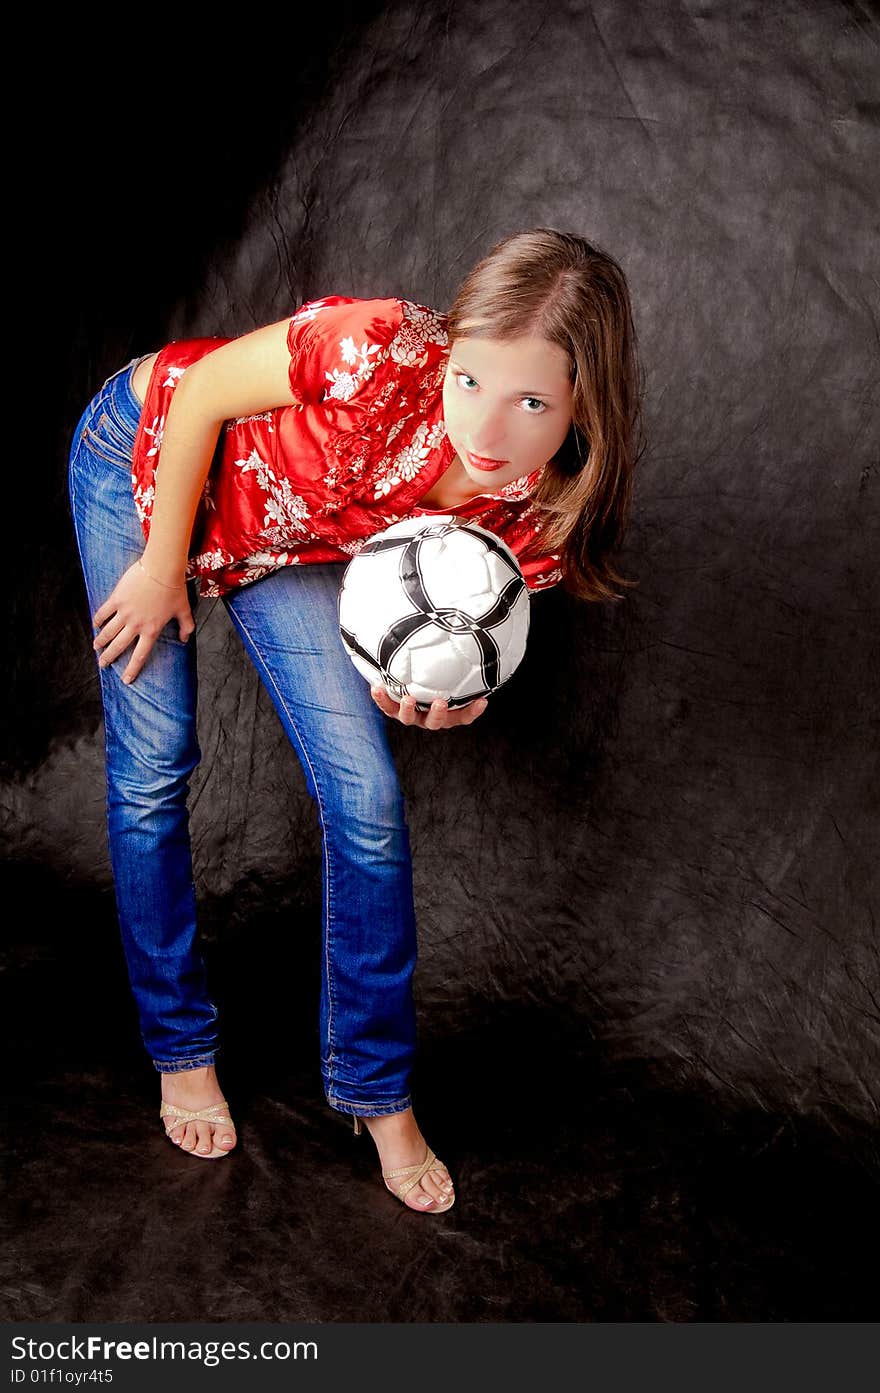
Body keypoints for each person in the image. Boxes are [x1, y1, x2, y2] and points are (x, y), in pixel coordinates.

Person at [67, 227, 643, 1214]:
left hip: (278, 536)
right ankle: (180, 1044)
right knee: (154, 763)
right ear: (447, 346)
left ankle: (377, 1093)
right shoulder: (375, 345)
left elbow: (429, 633)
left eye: (532, 402)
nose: (488, 428)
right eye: (471, 381)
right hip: (151, 462)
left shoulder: (534, 524)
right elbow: (201, 394)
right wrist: (162, 567)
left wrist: (437, 695)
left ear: (585, 406)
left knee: (368, 797)